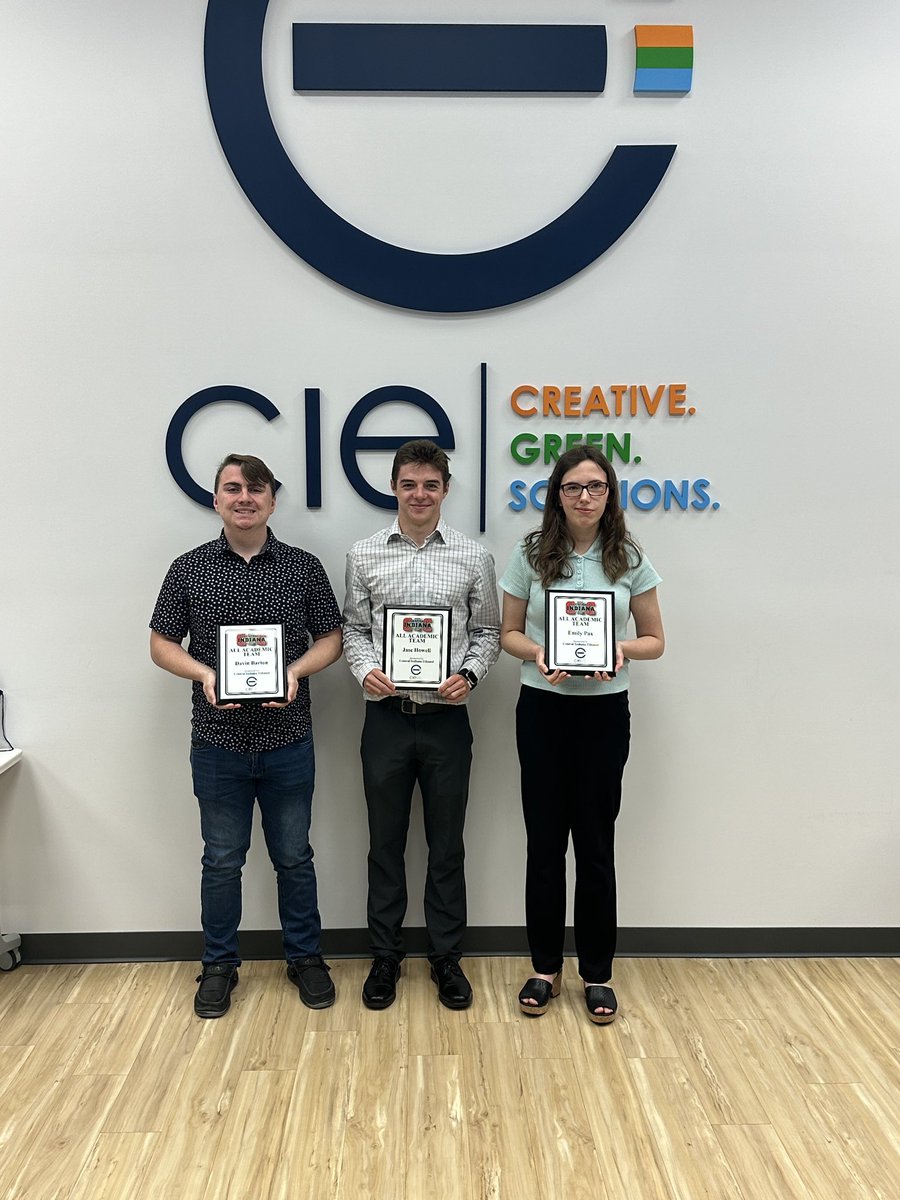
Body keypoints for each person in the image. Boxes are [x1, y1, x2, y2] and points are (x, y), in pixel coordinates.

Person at [150, 453, 343, 1018]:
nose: (244, 497)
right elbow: (161, 644)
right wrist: (207, 674)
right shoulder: (188, 570)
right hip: (217, 743)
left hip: (288, 739)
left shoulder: (303, 569)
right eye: (232, 488)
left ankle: (306, 959)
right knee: (221, 860)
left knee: (294, 857)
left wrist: (294, 672)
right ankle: (218, 966)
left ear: (272, 500)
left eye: (255, 488)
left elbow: (330, 637)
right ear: (216, 499)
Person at [499, 446, 664, 1023]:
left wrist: (618, 650)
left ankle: (597, 974)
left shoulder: (630, 557)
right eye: (574, 487)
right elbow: (508, 633)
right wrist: (540, 653)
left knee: (595, 847)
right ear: (557, 494)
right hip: (542, 710)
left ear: (609, 493)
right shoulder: (529, 553)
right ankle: (544, 968)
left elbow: (655, 640)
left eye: (595, 486)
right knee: (544, 844)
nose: (585, 496)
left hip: (602, 715)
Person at [343, 440, 500, 1011]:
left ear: (445, 490)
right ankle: (385, 957)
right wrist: (364, 670)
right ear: (394, 487)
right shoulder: (363, 555)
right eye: (409, 484)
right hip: (385, 719)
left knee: (446, 846)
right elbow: (354, 629)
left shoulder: (472, 556)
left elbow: (487, 633)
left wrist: (470, 674)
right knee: (383, 845)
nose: (419, 494)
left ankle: (446, 959)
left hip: (446, 723)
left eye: (430, 485)